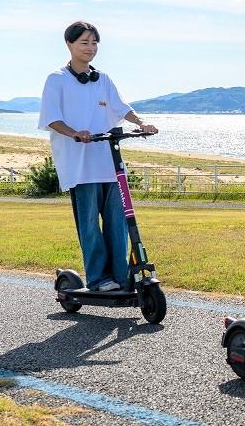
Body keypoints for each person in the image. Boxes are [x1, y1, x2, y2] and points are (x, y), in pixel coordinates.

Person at [37, 21, 158, 291]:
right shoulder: (57, 79)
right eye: (84, 42)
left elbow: (121, 107)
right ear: (69, 44)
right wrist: (75, 133)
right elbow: (51, 118)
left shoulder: (102, 79)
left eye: (94, 43)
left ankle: (121, 276)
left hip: (108, 161)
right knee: (90, 224)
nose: (90, 48)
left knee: (119, 220)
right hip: (79, 165)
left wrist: (141, 123)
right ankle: (99, 278)